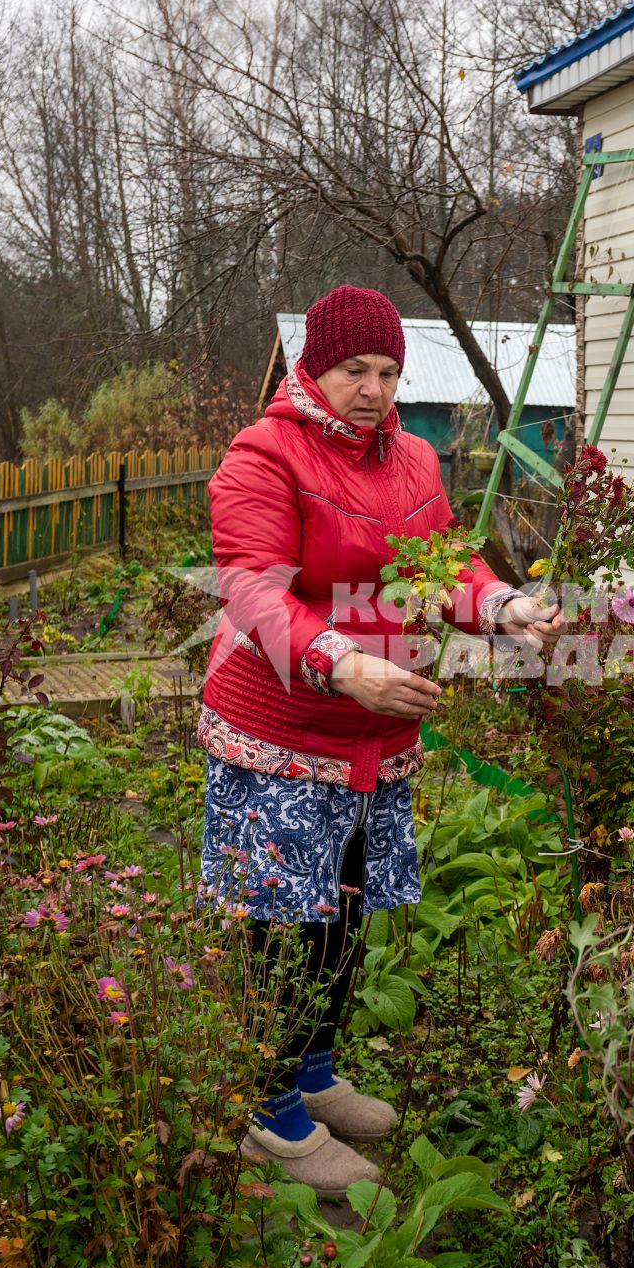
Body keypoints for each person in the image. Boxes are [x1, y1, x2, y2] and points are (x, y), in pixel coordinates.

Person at [201, 286, 562, 1198]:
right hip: (280, 730)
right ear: (313, 369)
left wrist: (504, 606)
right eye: (354, 369)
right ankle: (270, 1115)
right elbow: (252, 589)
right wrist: (341, 663)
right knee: (282, 921)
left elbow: (445, 570)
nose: (373, 387)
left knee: (344, 912)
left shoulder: (414, 459)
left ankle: (314, 1073)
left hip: (377, 732)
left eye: (388, 370)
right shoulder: (263, 454)